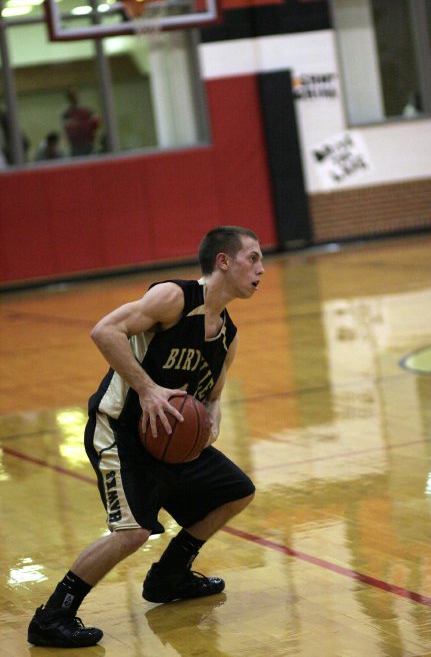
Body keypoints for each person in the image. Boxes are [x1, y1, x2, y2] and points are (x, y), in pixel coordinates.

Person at [28, 225, 265, 648]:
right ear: (223, 261)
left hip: (168, 439)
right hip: (119, 430)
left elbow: (212, 397)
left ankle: (170, 576)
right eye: (253, 258)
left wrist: (210, 421)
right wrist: (147, 388)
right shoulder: (174, 297)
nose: (261, 269)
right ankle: (53, 615)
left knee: (236, 491)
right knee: (132, 531)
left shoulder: (227, 335)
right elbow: (104, 331)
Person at [62, 88, 99, 157]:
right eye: (71, 96)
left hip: (88, 145)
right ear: (68, 98)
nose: (73, 97)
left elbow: (96, 122)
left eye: (74, 95)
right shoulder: (66, 114)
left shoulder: (86, 110)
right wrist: (85, 124)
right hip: (76, 147)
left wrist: (79, 125)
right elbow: (71, 130)